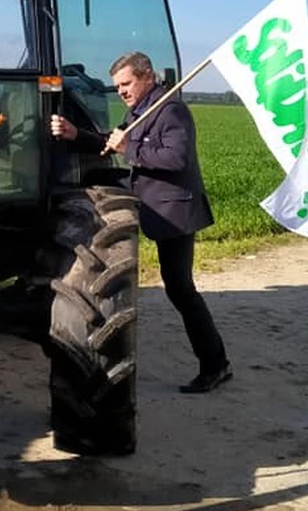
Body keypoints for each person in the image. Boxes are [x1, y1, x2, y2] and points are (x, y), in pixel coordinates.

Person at [50, 51, 232, 393]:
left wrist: (129, 147)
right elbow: (112, 141)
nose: (121, 91)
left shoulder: (171, 110)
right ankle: (215, 362)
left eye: (126, 83)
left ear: (146, 76)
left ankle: (215, 365)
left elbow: (175, 158)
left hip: (174, 212)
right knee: (179, 288)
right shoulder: (140, 109)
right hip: (153, 208)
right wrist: (76, 134)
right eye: (117, 85)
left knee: (181, 289)